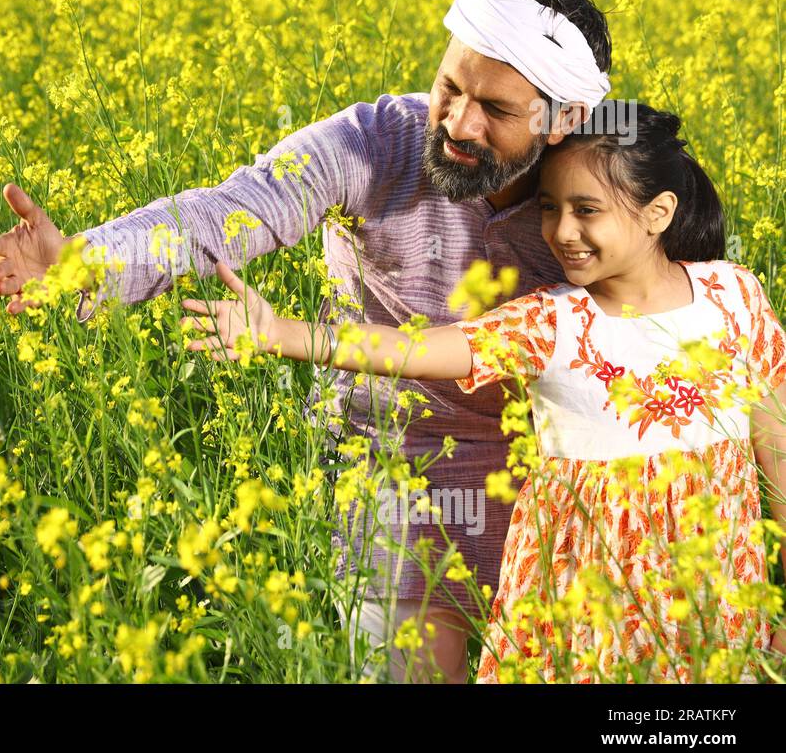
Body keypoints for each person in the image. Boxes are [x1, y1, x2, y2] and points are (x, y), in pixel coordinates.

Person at [0, 0, 614, 682]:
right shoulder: (379, 141)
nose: (459, 123)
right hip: (387, 472)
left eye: (497, 111)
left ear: (565, 121)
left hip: (557, 485)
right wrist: (87, 262)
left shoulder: (611, 192)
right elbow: (232, 210)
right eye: (450, 87)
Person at [180, 101, 786, 682]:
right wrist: (284, 334)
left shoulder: (733, 297)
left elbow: (775, 442)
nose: (562, 231)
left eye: (587, 210)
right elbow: (421, 350)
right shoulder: (553, 321)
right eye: (549, 208)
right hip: (580, 602)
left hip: (714, 589)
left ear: (657, 213)